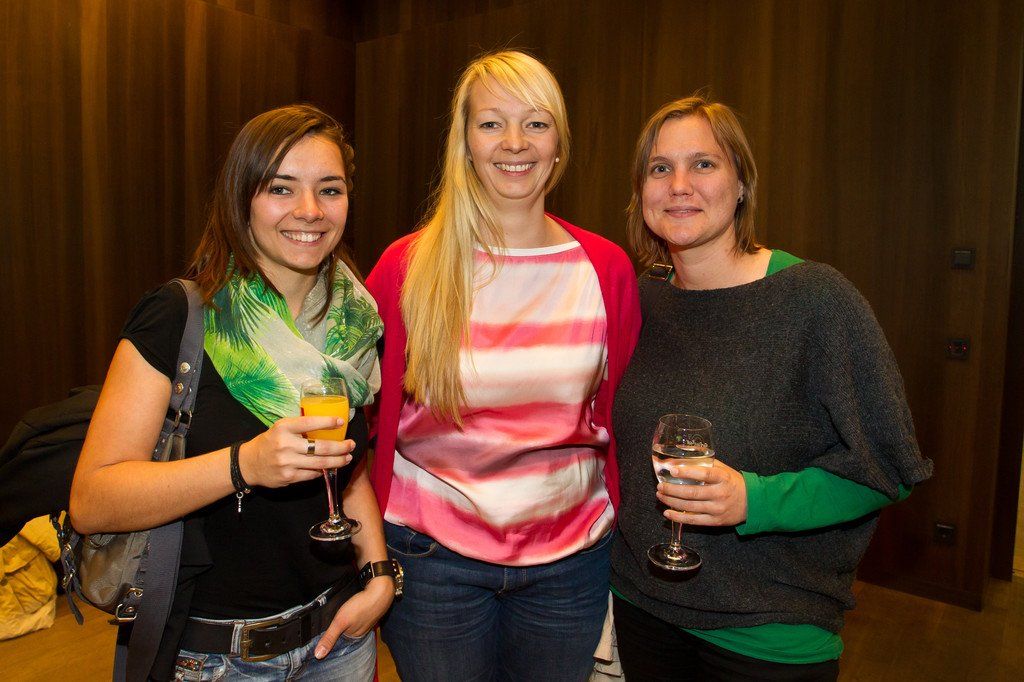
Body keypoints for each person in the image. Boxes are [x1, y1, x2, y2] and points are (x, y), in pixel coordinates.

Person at [609, 96, 934, 681]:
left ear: (741, 184)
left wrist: (753, 501)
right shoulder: (643, 298)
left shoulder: (815, 300)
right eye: (660, 168)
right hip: (641, 606)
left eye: (703, 164)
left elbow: (888, 465)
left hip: (768, 631)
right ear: (641, 192)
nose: (679, 185)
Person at [69, 104, 396, 681]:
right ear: (241, 196)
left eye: (330, 189)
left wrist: (378, 577)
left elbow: (351, 474)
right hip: (216, 658)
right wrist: (244, 465)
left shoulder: (356, 322)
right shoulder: (180, 315)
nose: (310, 210)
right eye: (280, 188)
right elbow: (94, 501)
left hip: (338, 642)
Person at [365, 50, 641, 681]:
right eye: (491, 123)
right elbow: (364, 424)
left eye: (536, 123)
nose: (515, 142)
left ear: (559, 142)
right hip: (432, 563)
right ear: (464, 142)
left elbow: (622, 419)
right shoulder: (407, 268)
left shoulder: (605, 270)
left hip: (571, 566)